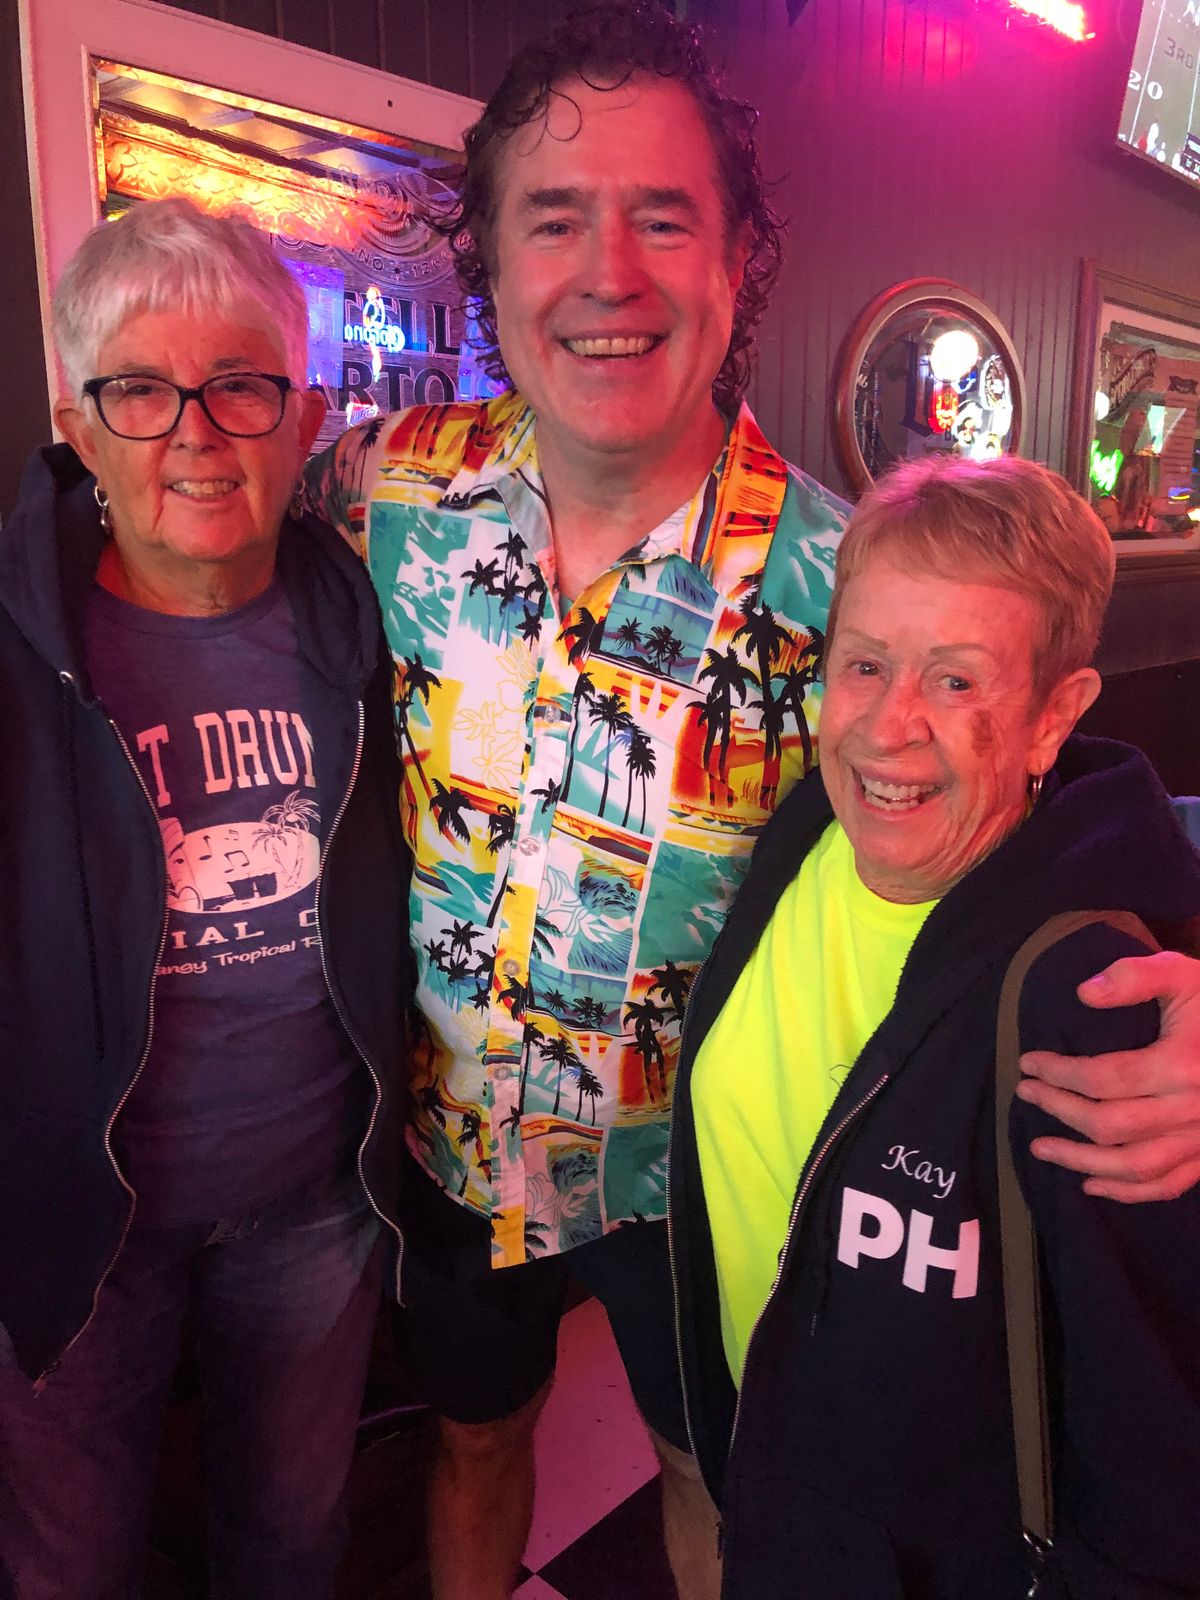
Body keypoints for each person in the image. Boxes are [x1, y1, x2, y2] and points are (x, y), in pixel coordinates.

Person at [303, 7, 1200, 1596]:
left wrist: (1189, 977)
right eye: (555, 218)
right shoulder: (384, 490)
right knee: (472, 1441)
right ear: (491, 260)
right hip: (453, 1146)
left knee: (716, 1472)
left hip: (698, 1172)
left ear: (738, 264)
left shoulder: (841, 576)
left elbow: (1042, 791)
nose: (610, 273)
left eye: (664, 219)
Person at [669, 454, 1200, 1598]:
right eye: (864, 663)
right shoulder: (804, 833)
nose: (888, 726)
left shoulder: (1098, 1004)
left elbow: (1155, 1438)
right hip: (775, 1500)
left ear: (1055, 715)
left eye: (957, 680)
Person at [0, 197, 412, 1598]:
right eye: (140, 390)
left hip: (311, 1198)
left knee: (288, 1547)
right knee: (68, 1567)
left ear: (304, 419)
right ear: (78, 423)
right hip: (74, 1218)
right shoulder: (15, 644)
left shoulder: (371, 621)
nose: (195, 434)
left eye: (239, 384)